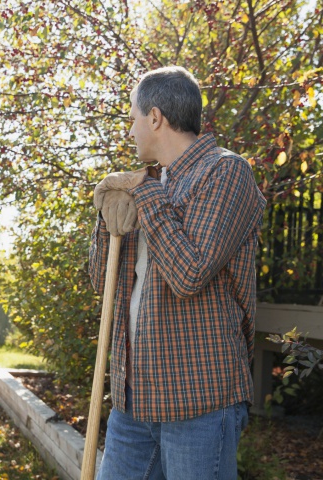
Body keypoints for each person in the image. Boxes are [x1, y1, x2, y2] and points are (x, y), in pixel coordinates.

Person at [89, 66, 266, 479]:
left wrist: (144, 193)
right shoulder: (142, 184)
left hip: (199, 404)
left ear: (155, 117)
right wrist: (105, 218)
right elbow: (104, 284)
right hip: (133, 405)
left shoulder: (225, 172)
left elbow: (189, 274)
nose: (130, 130)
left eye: (133, 117)